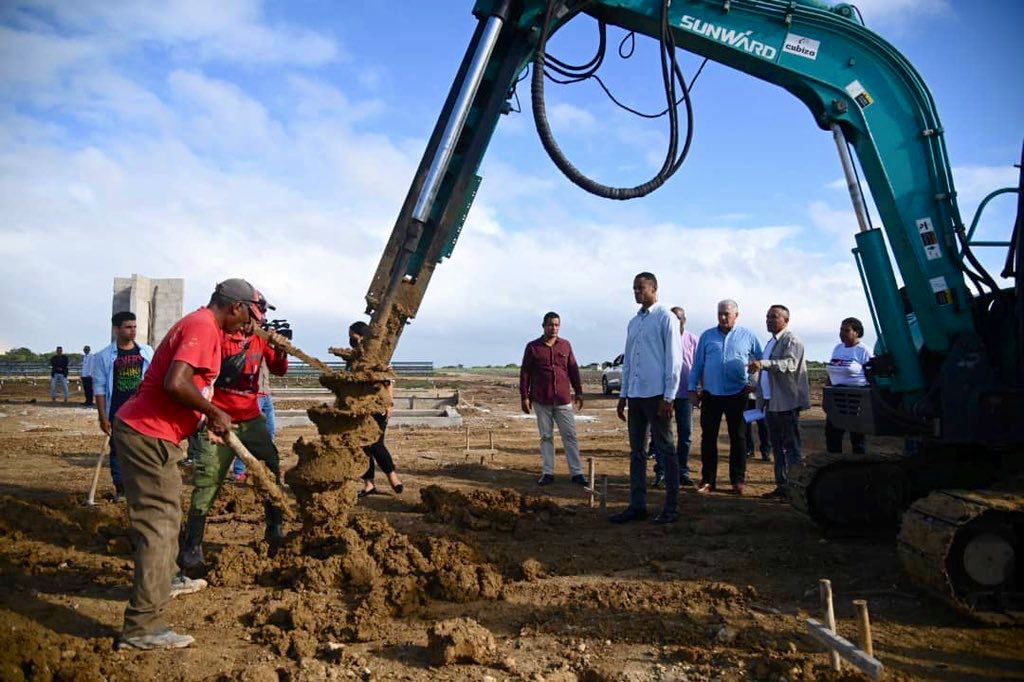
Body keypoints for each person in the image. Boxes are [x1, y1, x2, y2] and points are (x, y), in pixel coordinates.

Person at [112, 278, 255, 651]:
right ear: (234, 306)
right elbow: (176, 383)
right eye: (247, 315)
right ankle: (142, 626)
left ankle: (168, 578)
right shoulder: (202, 327)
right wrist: (213, 411)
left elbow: (185, 388)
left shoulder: (202, 326)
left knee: (166, 517)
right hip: (148, 435)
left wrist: (204, 420)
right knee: (158, 525)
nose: (246, 324)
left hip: (154, 433)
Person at [179, 291, 289, 572]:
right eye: (255, 314)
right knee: (208, 480)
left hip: (252, 418)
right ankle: (192, 546)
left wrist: (282, 347)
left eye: (261, 316)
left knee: (271, 469)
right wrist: (207, 417)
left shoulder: (260, 340)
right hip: (217, 421)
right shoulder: (217, 335)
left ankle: (275, 529)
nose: (257, 320)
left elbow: (278, 370)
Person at [611, 272, 682, 525]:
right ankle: (637, 506)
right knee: (637, 452)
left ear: (654, 288)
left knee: (666, 449)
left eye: (641, 288)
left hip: (657, 395)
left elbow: (675, 359)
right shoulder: (634, 322)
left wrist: (669, 396)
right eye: (634, 288)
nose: (636, 292)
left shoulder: (666, 318)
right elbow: (629, 361)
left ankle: (671, 507)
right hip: (636, 396)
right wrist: (623, 395)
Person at [689, 300, 762, 495]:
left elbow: (760, 362)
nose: (722, 317)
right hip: (711, 394)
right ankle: (708, 480)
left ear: (736, 315)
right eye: (720, 314)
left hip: (737, 394)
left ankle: (737, 480)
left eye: (726, 314)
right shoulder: (707, 336)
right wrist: (691, 389)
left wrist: (753, 382)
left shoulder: (749, 336)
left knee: (738, 437)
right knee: (708, 438)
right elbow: (697, 364)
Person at [749, 305, 811, 499]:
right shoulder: (771, 342)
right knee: (777, 447)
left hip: (786, 404)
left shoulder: (792, 340)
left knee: (791, 447)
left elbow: (789, 364)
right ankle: (782, 486)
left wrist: (764, 364)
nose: (768, 320)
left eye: (774, 317)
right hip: (771, 403)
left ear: (786, 320)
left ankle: (795, 487)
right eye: (767, 316)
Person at [519, 312, 586, 486]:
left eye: (556, 325)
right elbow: (525, 373)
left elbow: (573, 370)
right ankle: (548, 472)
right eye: (550, 325)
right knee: (546, 436)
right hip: (542, 399)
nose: (553, 328)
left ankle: (577, 473)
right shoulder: (533, 347)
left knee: (570, 435)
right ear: (543, 326)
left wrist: (579, 391)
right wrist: (524, 397)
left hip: (563, 399)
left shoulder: (565, 345)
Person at [93, 312, 155, 500]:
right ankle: (121, 488)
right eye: (128, 327)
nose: (133, 331)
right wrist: (103, 417)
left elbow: (154, 378)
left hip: (142, 411)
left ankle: (142, 488)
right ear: (117, 329)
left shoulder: (146, 351)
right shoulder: (104, 356)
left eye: (134, 326)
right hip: (117, 411)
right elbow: (100, 388)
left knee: (144, 449)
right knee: (118, 450)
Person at [348, 322, 404, 496]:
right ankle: (369, 484)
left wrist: (389, 403)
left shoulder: (378, 356)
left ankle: (392, 477)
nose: (351, 340)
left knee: (376, 444)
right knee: (362, 446)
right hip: (358, 408)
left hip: (376, 407)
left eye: (353, 336)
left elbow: (388, 381)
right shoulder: (354, 357)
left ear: (363, 336)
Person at [653, 306, 697, 488]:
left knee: (685, 434)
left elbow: (698, 365)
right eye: (673, 318)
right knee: (662, 435)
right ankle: (662, 472)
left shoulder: (693, 340)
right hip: (664, 395)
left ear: (684, 320)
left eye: (680, 319)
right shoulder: (661, 340)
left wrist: (699, 388)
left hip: (685, 394)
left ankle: (682, 472)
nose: (677, 322)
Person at [824, 317, 871, 455]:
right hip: (836, 395)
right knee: (832, 433)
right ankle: (834, 463)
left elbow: (871, 377)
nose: (842, 333)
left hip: (856, 396)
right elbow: (831, 372)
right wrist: (826, 396)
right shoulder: (838, 348)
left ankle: (860, 465)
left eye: (846, 330)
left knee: (857, 435)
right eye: (841, 330)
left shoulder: (864, 351)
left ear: (857, 332)